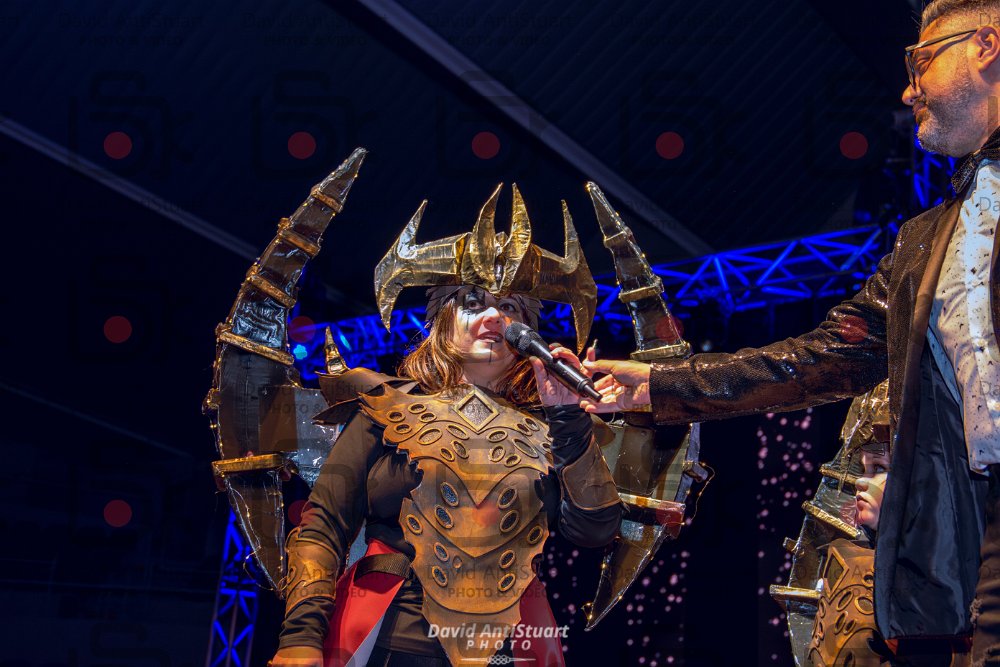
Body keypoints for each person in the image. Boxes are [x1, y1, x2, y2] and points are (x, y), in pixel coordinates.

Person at [581, 2, 1000, 662]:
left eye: (920, 60)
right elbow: (819, 358)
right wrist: (660, 383)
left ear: (985, 45)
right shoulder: (927, 242)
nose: (907, 88)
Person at [270, 185, 621, 667]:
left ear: (527, 333)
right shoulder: (384, 407)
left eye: (511, 308)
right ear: (442, 322)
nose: (495, 316)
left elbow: (595, 530)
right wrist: (300, 637)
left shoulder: (554, 428)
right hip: (385, 642)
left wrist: (567, 418)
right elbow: (324, 525)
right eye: (474, 303)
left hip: (506, 651)